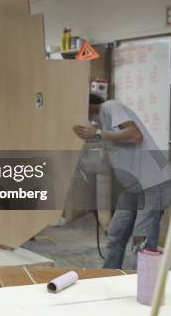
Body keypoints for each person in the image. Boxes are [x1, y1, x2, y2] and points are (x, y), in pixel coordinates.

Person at [73, 94, 171, 269]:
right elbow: (109, 161)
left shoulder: (110, 107)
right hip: (133, 187)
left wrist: (97, 133)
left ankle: (142, 286)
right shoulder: (99, 124)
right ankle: (109, 275)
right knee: (115, 234)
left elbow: (135, 136)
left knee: (142, 240)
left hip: (152, 182)